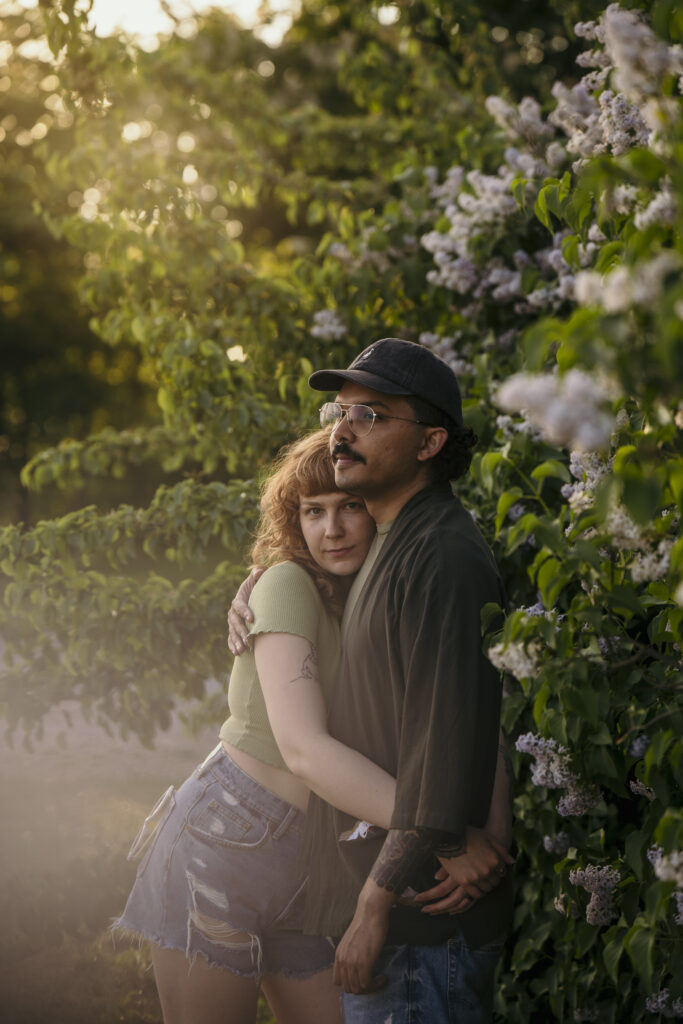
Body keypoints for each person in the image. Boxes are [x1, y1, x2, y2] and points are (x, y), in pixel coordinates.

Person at [115, 428, 509, 1024]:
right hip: (223, 846)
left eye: (350, 506)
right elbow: (304, 750)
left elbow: (471, 708)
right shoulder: (287, 585)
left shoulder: (384, 589)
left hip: (317, 860)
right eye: (313, 512)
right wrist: (445, 832)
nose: (333, 529)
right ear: (291, 521)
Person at [300, 337, 514, 1024]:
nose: (342, 428)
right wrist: (252, 588)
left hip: (423, 928)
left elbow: (440, 739)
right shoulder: (393, 541)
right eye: (342, 409)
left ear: (427, 443)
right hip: (408, 925)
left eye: (371, 414)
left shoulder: (443, 555)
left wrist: (373, 904)